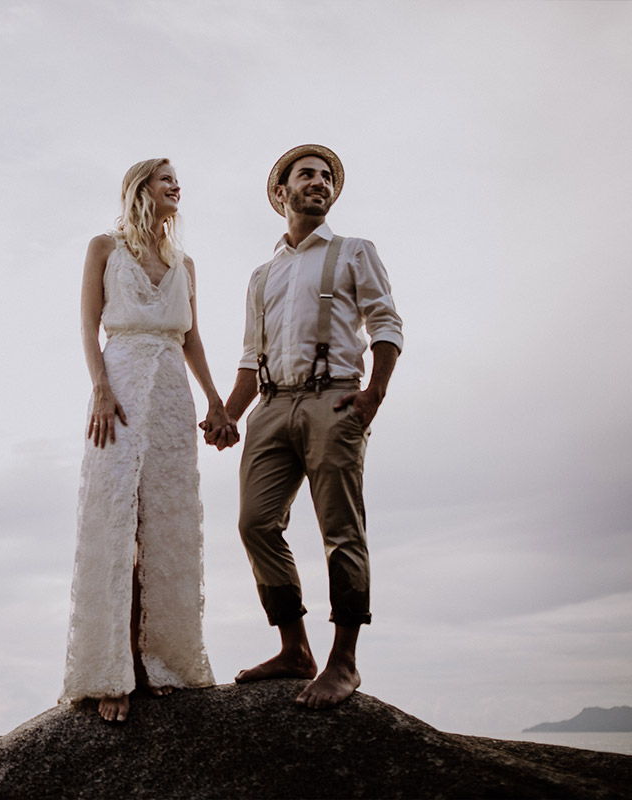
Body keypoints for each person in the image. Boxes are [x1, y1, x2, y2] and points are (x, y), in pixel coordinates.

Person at [206, 144, 403, 709]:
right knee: (254, 524)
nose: (319, 183)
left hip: (334, 400)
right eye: (307, 175)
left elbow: (387, 323)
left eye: (326, 178)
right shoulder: (262, 274)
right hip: (270, 406)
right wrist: (229, 414)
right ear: (281, 193)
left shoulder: (352, 251)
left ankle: (344, 662)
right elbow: (251, 355)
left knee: (341, 529)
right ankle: (296, 650)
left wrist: (373, 397)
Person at [61, 158, 230, 723]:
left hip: (172, 396)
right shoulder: (103, 248)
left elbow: (193, 338)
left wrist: (216, 399)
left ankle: (160, 661)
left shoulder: (186, 264)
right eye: (166, 178)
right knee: (118, 521)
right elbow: (88, 325)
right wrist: (101, 390)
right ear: (141, 187)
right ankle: (114, 668)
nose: (177, 185)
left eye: (179, 178)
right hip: (123, 384)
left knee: (167, 523)